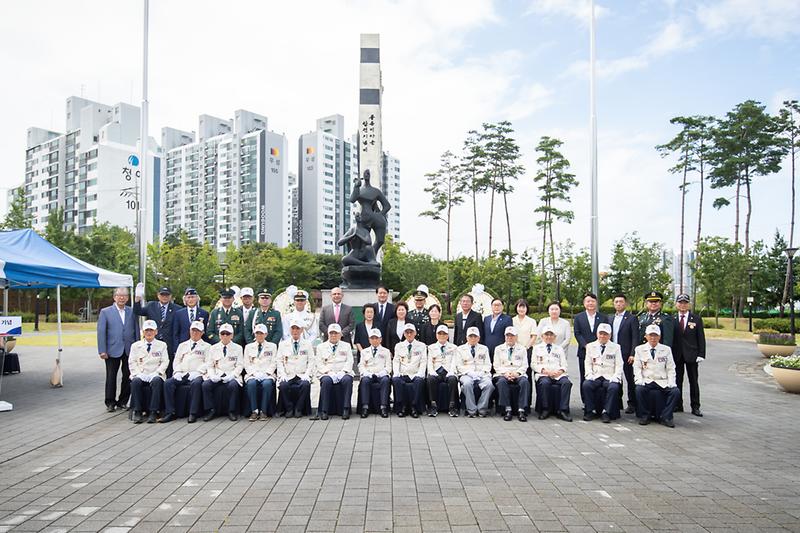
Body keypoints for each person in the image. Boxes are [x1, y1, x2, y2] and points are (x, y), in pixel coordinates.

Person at [160, 320, 210, 423]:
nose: (195, 333)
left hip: (197, 374)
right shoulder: (182, 345)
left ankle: (193, 413)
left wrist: (198, 372)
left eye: (197, 331)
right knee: (168, 383)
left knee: (196, 384)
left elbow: (208, 362)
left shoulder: (207, 347)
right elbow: (177, 360)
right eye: (193, 330)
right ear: (189, 331)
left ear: (202, 333)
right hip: (182, 373)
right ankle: (170, 412)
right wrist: (177, 372)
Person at [97, 287, 137, 412]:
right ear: (114, 297)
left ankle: (123, 401)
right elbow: (101, 332)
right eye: (119, 295)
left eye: (124, 295)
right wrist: (102, 350)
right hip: (111, 349)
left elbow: (135, 329)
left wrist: (137, 348)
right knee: (111, 376)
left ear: (127, 298)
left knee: (128, 376)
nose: (122, 298)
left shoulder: (131, 311)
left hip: (129, 349)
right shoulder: (105, 312)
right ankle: (110, 402)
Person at [634, 324, 680, 428]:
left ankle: (666, 417)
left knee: (675, 392)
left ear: (659, 337)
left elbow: (671, 368)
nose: (653, 338)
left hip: (662, 381)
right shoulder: (639, 349)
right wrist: (639, 379)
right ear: (646, 336)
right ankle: (645, 415)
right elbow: (637, 367)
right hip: (647, 380)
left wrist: (671, 382)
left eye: (655, 336)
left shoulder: (666, 349)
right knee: (638, 390)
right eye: (650, 335)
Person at [133, 285, 183, 375]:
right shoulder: (151, 305)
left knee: (169, 370)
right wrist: (137, 299)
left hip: (169, 344)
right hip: (153, 343)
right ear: (158, 295)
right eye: (162, 295)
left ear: (170, 296)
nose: (164, 297)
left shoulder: (177, 309)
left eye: (167, 295)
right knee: (155, 369)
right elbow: (138, 311)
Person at [200, 323, 244, 421]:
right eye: (223, 333)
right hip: (217, 374)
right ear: (219, 335)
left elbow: (240, 365)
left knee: (233, 385)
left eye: (227, 334)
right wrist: (211, 375)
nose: (225, 336)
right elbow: (210, 365)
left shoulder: (238, 348)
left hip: (231, 374)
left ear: (232, 335)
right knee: (205, 385)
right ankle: (210, 410)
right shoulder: (213, 348)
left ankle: (232, 411)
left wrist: (232, 375)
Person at [128, 320, 169, 424]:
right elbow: (132, 362)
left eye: (151, 330)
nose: (149, 333)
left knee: (156, 381)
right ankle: (137, 411)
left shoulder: (162, 345)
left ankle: (153, 411)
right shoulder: (135, 346)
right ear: (143, 332)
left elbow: (165, 361)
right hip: (141, 373)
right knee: (136, 382)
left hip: (155, 373)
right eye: (147, 330)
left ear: (156, 332)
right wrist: (137, 374)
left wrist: (157, 373)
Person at [672, 293, 706, 416]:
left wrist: (701, 354)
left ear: (688, 304)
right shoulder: (672, 319)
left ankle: (695, 406)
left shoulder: (696, 319)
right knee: (677, 381)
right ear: (676, 304)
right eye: (680, 302)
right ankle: (678, 404)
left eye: (685, 303)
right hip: (677, 355)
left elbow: (701, 338)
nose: (683, 305)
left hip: (692, 355)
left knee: (693, 381)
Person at [581, 323, 623, 423]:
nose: (603, 336)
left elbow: (619, 364)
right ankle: (591, 410)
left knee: (613, 387)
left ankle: (606, 412)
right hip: (596, 375)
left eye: (605, 334)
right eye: (601, 334)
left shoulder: (616, 347)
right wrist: (589, 375)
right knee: (586, 385)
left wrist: (616, 377)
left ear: (610, 335)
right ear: (597, 334)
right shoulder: (591, 346)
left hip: (609, 376)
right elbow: (587, 363)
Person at [573, 292, 609, 402]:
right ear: (584, 303)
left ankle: (598, 401)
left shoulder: (603, 317)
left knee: (600, 375)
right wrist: (586, 345)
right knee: (585, 377)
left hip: (600, 352)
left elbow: (606, 333)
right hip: (584, 351)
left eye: (593, 301)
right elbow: (577, 333)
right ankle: (586, 402)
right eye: (588, 301)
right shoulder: (579, 317)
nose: (590, 303)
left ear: (596, 303)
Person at [314, 323, 355, 420]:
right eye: (331, 333)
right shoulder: (321, 347)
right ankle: (324, 410)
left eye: (336, 333)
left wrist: (343, 372)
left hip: (343, 372)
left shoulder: (346, 345)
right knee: (327, 381)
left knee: (347, 380)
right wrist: (328, 372)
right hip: (327, 373)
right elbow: (319, 363)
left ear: (340, 334)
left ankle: (345, 409)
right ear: (328, 334)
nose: (333, 335)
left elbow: (350, 360)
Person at [610, 293, 642, 414]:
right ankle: (617, 402)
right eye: (616, 302)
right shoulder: (610, 318)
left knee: (630, 379)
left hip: (627, 353)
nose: (618, 304)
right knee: (616, 378)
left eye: (621, 302)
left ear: (626, 303)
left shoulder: (631, 318)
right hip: (613, 354)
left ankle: (632, 403)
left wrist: (633, 353)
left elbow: (635, 337)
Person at [532, 326, 572, 421]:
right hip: (544, 374)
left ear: (555, 337)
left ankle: (563, 410)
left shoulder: (559, 349)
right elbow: (533, 364)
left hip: (558, 374)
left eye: (551, 335)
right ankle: (546, 409)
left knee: (567, 383)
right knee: (545, 383)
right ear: (542, 336)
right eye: (546, 334)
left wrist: (560, 371)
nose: (549, 337)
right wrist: (545, 371)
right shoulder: (537, 348)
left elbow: (564, 364)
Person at [453, 327, 494, 417]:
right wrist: (470, 373)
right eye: (470, 336)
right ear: (466, 338)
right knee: (467, 384)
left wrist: (481, 373)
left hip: (482, 374)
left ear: (478, 338)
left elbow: (488, 364)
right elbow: (459, 366)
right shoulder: (460, 349)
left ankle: (482, 409)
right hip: (466, 374)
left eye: (475, 336)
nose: (473, 338)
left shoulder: (484, 349)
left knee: (489, 385)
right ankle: (471, 410)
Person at [276, 320, 314, 417]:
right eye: (293, 328)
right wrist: (282, 374)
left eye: (297, 328)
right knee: (283, 385)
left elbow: (311, 361)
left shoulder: (307, 344)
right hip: (288, 374)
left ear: (301, 330)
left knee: (305, 385)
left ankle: (298, 409)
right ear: (290, 330)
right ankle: (289, 409)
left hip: (301, 374)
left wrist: (307, 374)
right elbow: (279, 361)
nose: (295, 331)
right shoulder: (283, 344)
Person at [493, 326, 530, 422]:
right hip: (503, 373)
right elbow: (496, 365)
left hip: (518, 373)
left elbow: (525, 365)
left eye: (512, 336)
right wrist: (505, 373)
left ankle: (521, 409)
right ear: (504, 336)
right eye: (507, 335)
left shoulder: (522, 349)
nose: (510, 338)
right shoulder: (498, 349)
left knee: (525, 382)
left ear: (516, 337)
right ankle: (507, 409)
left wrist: (517, 373)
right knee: (501, 382)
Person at [243, 323, 278, 421]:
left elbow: (274, 362)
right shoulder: (248, 347)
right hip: (253, 374)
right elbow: (246, 363)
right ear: (254, 334)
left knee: (267, 384)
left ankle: (263, 411)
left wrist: (267, 373)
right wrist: (254, 373)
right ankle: (254, 411)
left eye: (261, 333)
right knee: (251, 383)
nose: (259, 335)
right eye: (257, 333)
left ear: (266, 334)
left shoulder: (272, 346)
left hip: (267, 374)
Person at [392, 323, 426, 417]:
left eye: (411, 332)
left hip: (415, 373)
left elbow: (423, 361)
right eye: (407, 332)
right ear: (404, 334)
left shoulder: (421, 345)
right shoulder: (398, 346)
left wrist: (420, 373)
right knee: (396, 380)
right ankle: (402, 406)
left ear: (415, 333)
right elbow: (396, 361)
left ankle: (413, 407)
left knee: (419, 381)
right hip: (403, 373)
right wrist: (396, 373)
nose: (409, 334)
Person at [426, 324, 459, 417]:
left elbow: (454, 361)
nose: (442, 336)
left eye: (444, 334)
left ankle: (452, 406)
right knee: (430, 379)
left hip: (448, 371)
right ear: (436, 335)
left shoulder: (454, 347)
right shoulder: (431, 347)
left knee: (453, 379)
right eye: (439, 334)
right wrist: (431, 371)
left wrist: (451, 371)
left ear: (448, 336)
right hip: (436, 371)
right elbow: (429, 361)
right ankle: (433, 406)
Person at [357, 328, 391, 418]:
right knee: (364, 381)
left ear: (380, 339)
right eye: (372, 338)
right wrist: (366, 373)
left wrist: (382, 372)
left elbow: (388, 367)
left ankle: (383, 407)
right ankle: (365, 407)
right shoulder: (364, 352)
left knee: (385, 381)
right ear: (369, 340)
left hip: (381, 374)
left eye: (376, 338)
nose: (374, 340)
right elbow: (361, 365)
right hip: (369, 373)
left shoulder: (386, 351)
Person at [483, 298, 513, 363]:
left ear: (502, 307)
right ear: (491, 306)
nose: (496, 307)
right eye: (494, 305)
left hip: (501, 350)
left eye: (499, 305)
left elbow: (509, 335)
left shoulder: (507, 319)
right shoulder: (486, 319)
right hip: (487, 349)